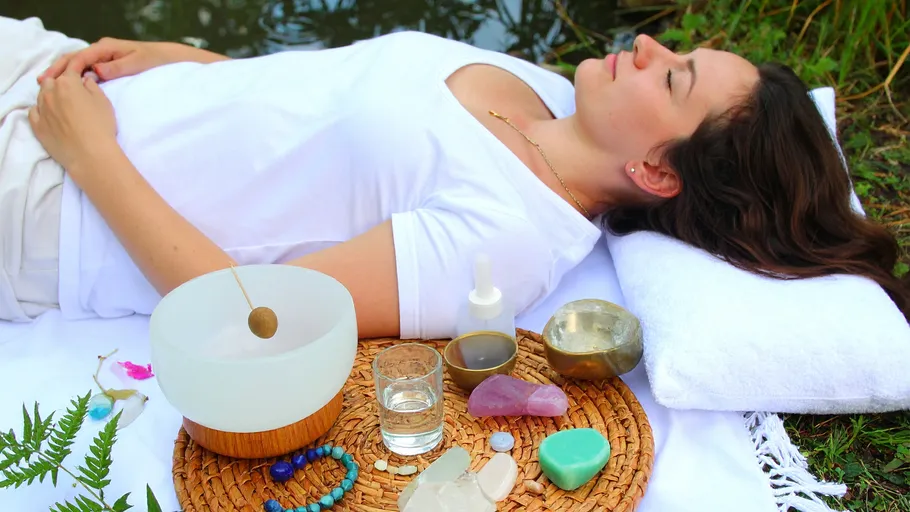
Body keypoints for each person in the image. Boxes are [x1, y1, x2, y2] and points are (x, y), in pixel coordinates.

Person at [1, 16, 906, 341]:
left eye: (673, 78)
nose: (647, 46)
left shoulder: (505, 239)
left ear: (654, 173)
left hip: (48, 207)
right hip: (67, 79)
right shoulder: (544, 91)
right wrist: (192, 61)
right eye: (678, 51)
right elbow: (323, 105)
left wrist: (91, 155)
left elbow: (249, 313)